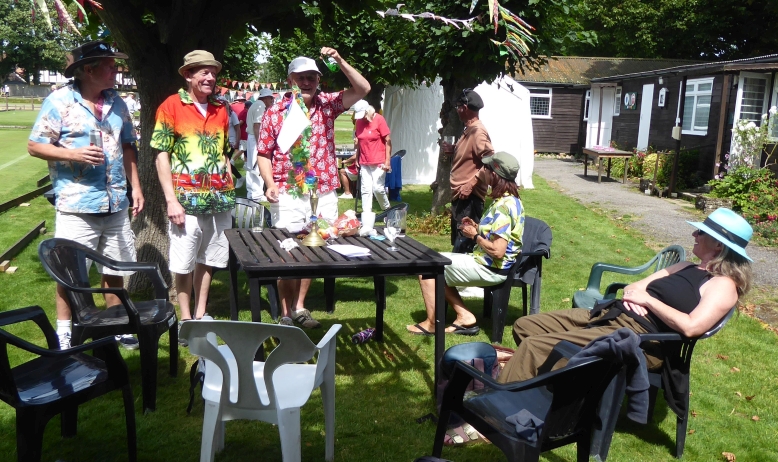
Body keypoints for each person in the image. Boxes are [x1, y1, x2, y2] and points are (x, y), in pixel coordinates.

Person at [498, 207, 754, 384]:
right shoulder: (686, 266)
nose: (694, 235)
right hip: (612, 314)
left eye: (701, 232)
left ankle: (498, 413)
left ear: (718, 245)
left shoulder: (723, 285)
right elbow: (634, 287)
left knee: (534, 346)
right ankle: (546, 380)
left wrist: (648, 300)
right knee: (525, 326)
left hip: (640, 339)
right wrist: (636, 295)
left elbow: (691, 327)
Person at [27, 40, 144, 350]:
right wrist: (74, 154)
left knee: (114, 269)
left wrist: (136, 187)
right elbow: (35, 145)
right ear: (89, 70)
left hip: (116, 202)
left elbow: (128, 146)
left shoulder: (118, 103)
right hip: (77, 205)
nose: (116, 71)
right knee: (70, 276)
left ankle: (117, 324)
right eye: (110, 66)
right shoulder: (59, 101)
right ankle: (65, 332)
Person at [257, 47, 370, 327]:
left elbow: (363, 88)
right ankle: (285, 315)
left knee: (312, 249)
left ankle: (300, 308)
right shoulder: (274, 112)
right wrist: (269, 184)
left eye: (312, 77)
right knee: (287, 252)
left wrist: (339, 60)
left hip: (322, 191)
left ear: (319, 80)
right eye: (301, 77)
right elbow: (263, 153)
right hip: (288, 190)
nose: (306, 82)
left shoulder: (327, 104)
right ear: (290, 80)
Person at [150, 50, 236, 338]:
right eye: (204, 72)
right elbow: (161, 156)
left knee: (210, 258)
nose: (210, 77)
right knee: (184, 261)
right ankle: (186, 319)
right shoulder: (171, 106)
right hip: (185, 200)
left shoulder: (221, 108)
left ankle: (201, 313)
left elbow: (224, 152)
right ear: (188, 75)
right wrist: (171, 200)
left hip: (219, 199)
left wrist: (228, 180)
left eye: (213, 72)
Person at [407, 152, 524, 336]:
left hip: (491, 268)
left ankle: (432, 323)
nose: (482, 170)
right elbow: (501, 235)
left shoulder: (503, 207)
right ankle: (464, 316)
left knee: (427, 267)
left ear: (494, 174)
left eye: (486, 168)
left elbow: (498, 251)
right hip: (492, 265)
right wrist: (478, 227)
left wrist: (475, 235)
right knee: (435, 261)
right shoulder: (512, 201)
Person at [442, 89, 494, 254]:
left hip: (469, 198)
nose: (457, 110)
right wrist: (454, 150)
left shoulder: (478, 132)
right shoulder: (469, 129)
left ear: (464, 107)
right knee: (459, 243)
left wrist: (471, 184)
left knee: (464, 246)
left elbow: (491, 162)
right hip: (461, 197)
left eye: (458, 107)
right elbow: (471, 157)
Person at [353, 99, 391, 212]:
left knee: (377, 189)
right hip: (364, 161)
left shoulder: (379, 119)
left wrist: (387, 161)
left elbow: (388, 141)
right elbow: (359, 141)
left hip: (379, 161)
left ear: (368, 111)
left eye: (364, 115)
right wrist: (357, 157)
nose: (362, 118)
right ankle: (367, 215)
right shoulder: (358, 122)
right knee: (366, 189)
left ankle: (388, 210)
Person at [245, 88, 274, 201]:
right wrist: (260, 143)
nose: (271, 101)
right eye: (270, 99)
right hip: (255, 137)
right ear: (266, 98)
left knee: (251, 166)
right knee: (257, 166)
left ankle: (251, 192)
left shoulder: (255, 105)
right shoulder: (260, 106)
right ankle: (257, 194)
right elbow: (257, 126)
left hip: (251, 137)